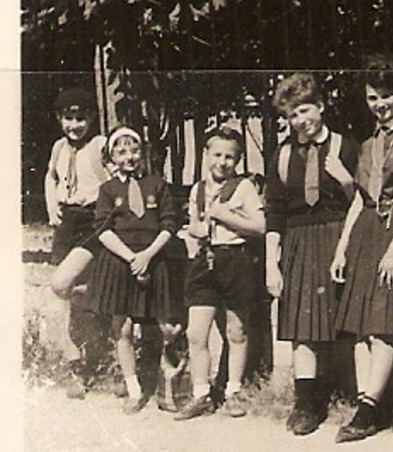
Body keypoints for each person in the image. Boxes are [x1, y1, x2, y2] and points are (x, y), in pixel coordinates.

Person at [330, 61, 393, 443]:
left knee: (383, 325)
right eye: (372, 97)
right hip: (367, 233)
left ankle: (369, 408)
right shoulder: (370, 143)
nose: (379, 104)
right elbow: (360, 199)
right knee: (361, 327)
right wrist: (342, 247)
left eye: (386, 96)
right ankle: (365, 402)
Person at [265, 72, 361, 436]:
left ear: (320, 107)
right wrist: (273, 263)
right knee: (302, 326)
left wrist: (347, 180)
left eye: (304, 110)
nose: (300, 121)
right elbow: (274, 211)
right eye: (291, 115)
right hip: (298, 241)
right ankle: (306, 403)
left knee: (340, 319)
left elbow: (362, 203)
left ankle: (350, 392)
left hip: (338, 237)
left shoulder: (346, 147)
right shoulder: (282, 154)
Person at [82, 125, 187, 413]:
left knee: (167, 325)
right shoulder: (107, 190)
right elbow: (103, 231)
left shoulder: (157, 184)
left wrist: (148, 255)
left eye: (134, 150)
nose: (129, 156)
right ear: (111, 157)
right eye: (121, 151)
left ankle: (171, 379)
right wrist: (131, 257)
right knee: (123, 326)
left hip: (156, 259)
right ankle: (133, 388)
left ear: (142, 153)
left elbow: (169, 224)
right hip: (120, 262)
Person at [176, 127, 267, 420]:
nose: (222, 162)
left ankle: (233, 392)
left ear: (237, 160)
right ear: (206, 155)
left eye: (230, 157)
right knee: (195, 332)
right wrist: (197, 228)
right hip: (205, 261)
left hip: (236, 260)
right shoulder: (198, 189)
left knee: (236, 331)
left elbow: (260, 226)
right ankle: (201, 392)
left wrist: (225, 215)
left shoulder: (244, 187)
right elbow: (194, 223)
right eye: (217, 154)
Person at [44, 87, 112, 398]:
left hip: (92, 219)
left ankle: (91, 355)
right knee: (65, 296)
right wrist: (50, 205)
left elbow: (115, 179)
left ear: (93, 118)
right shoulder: (59, 147)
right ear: (59, 119)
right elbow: (50, 177)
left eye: (81, 118)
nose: (75, 125)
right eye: (69, 118)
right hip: (66, 221)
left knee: (64, 285)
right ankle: (83, 362)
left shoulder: (100, 146)